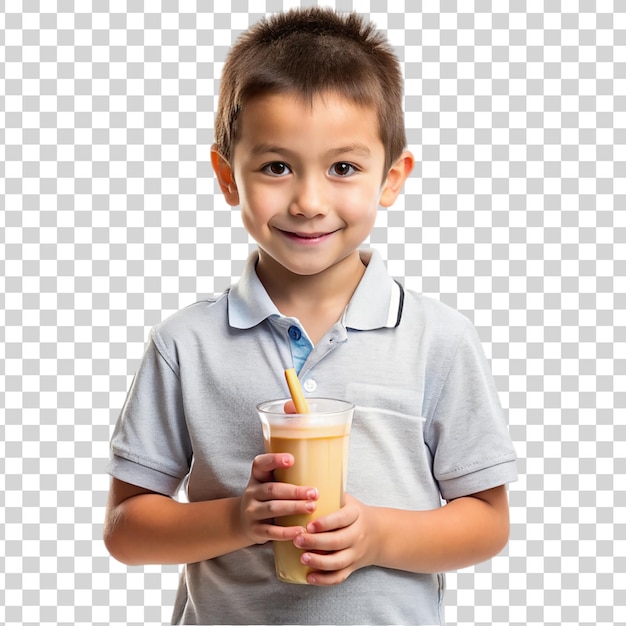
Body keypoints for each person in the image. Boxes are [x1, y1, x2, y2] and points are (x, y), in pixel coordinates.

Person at [104, 7, 517, 625]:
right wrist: (239, 518)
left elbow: (485, 522)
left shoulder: (437, 340)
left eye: (343, 168)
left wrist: (376, 535)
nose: (308, 201)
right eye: (276, 167)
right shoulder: (185, 344)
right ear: (227, 177)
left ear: (392, 178)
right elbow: (127, 530)